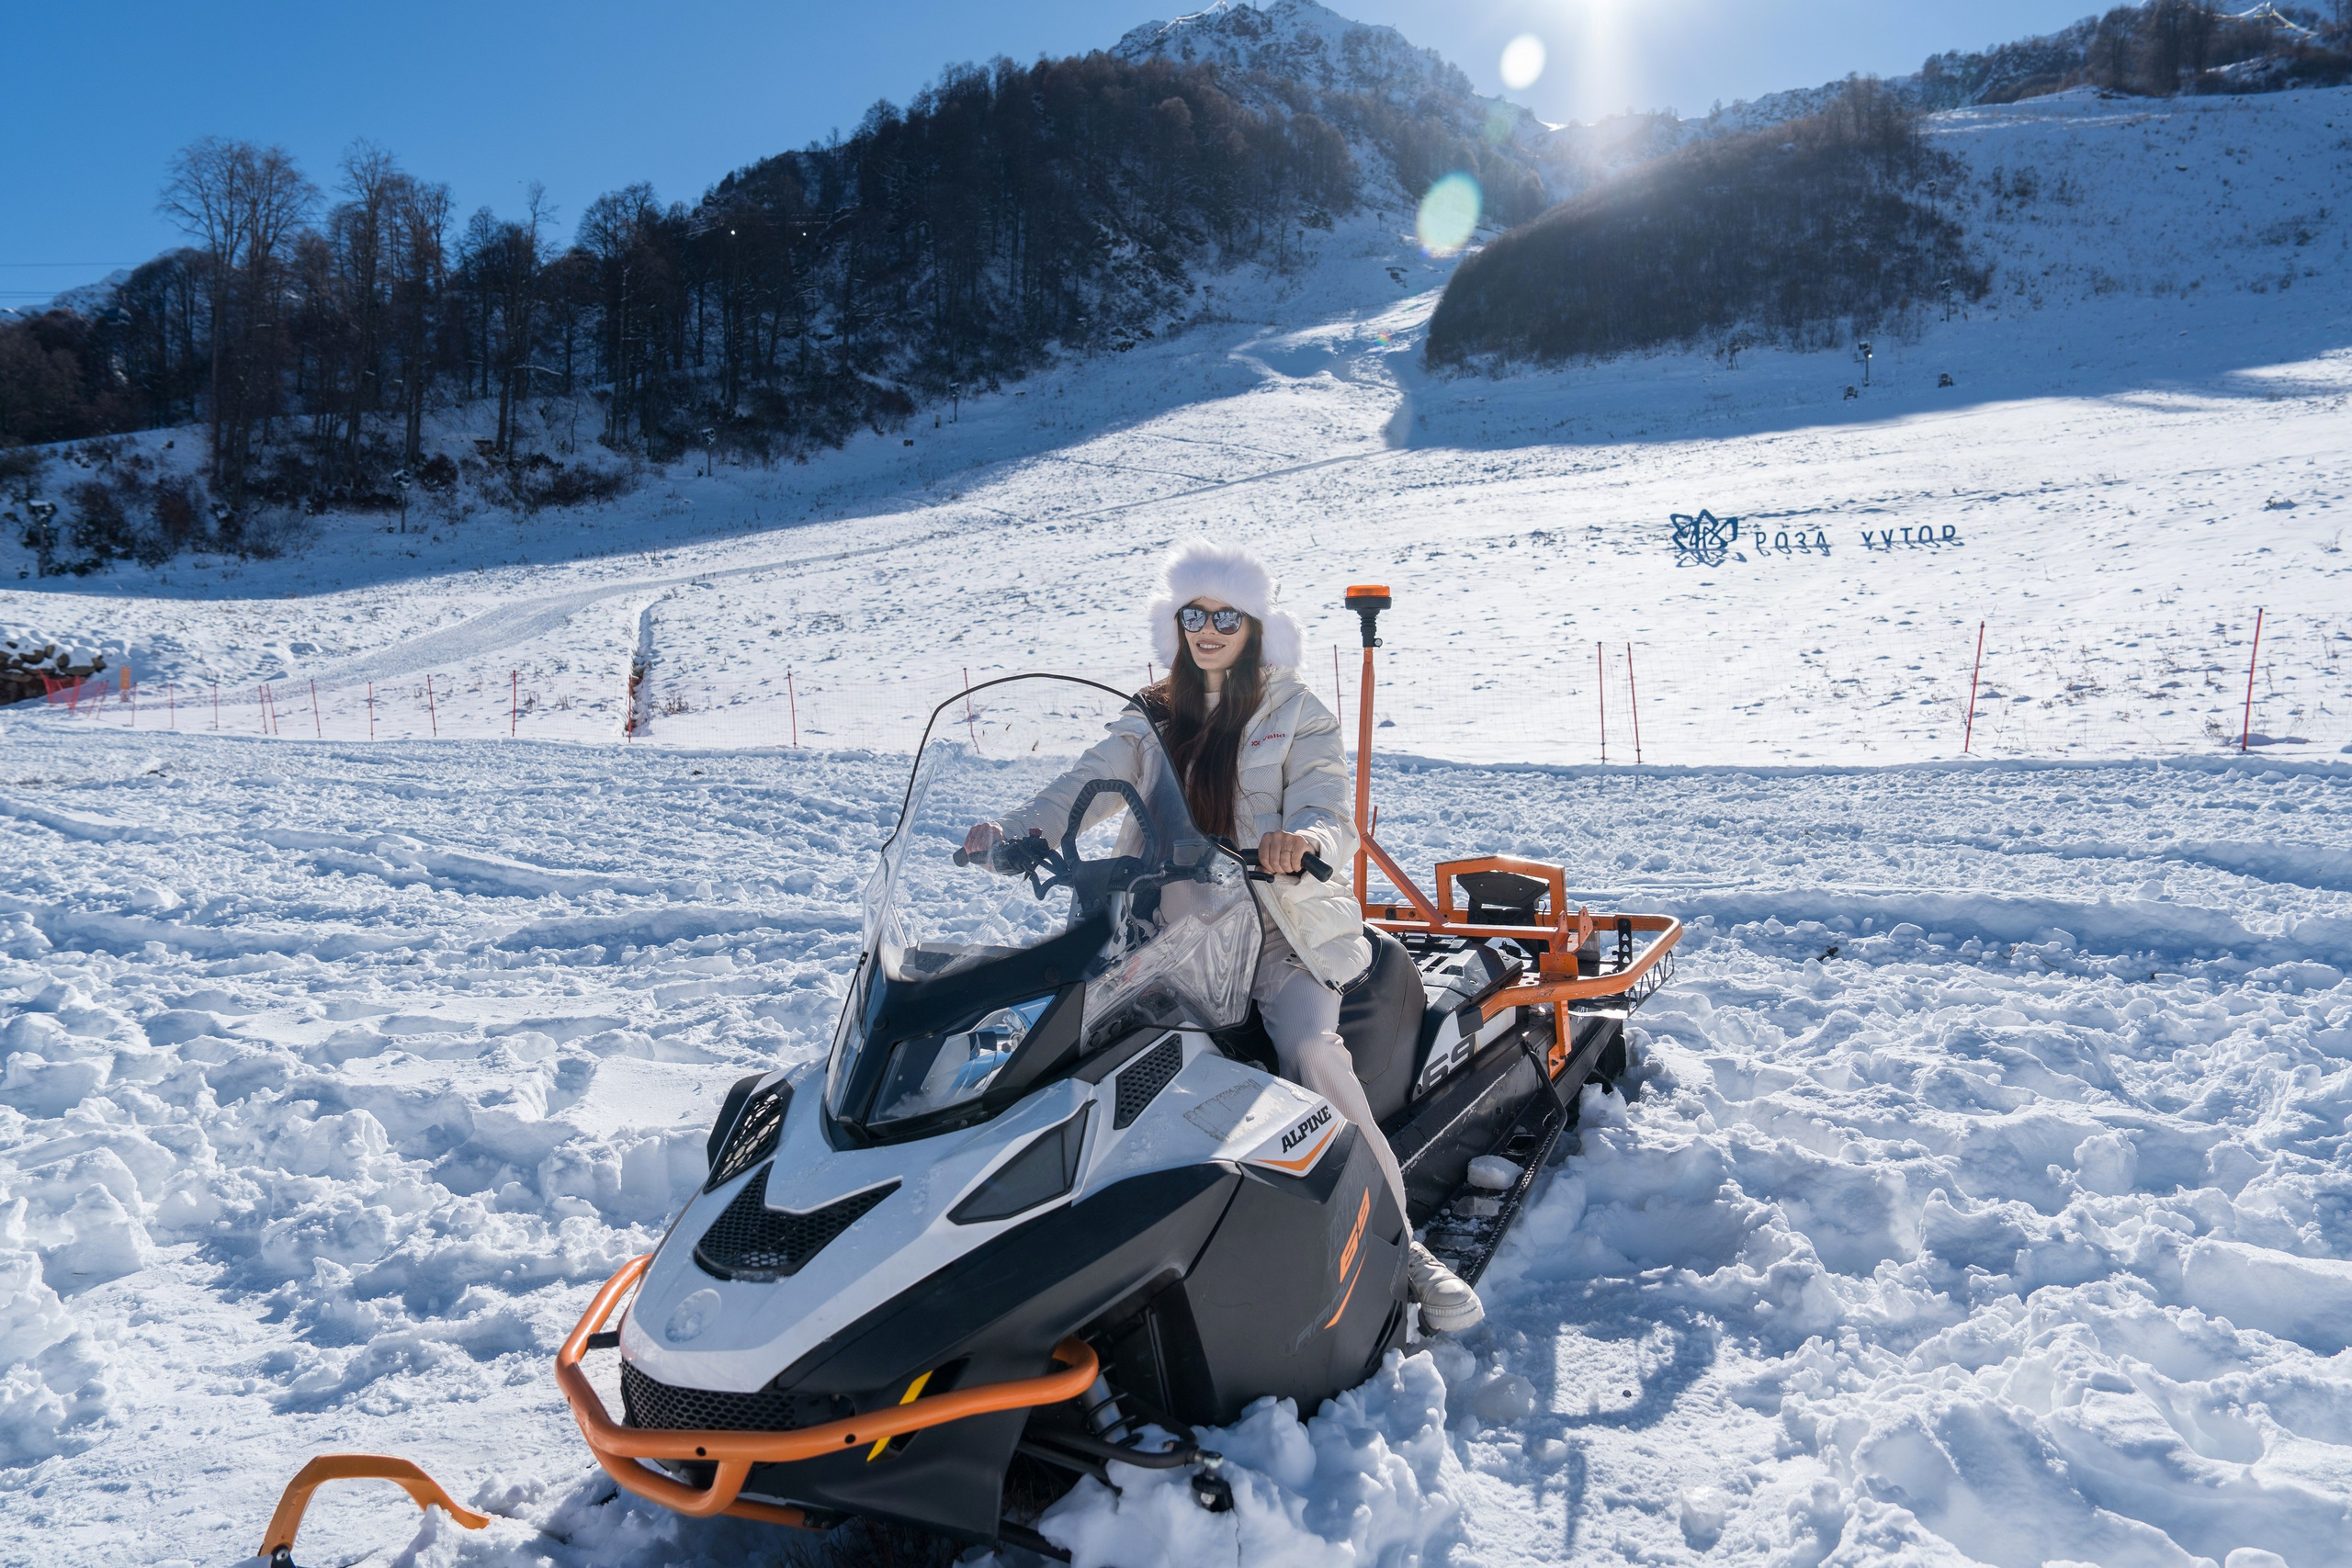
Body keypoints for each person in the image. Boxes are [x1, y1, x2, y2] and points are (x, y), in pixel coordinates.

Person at [963, 539, 1485, 1333]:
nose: (1208, 629)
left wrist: (1302, 843)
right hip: (1164, 924)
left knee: (1310, 1050)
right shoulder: (1152, 714)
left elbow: (1324, 807)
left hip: (1277, 926)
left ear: (1253, 626)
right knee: (1066, 1046)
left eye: (1225, 616)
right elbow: (1085, 784)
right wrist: (1018, 831)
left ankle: (1400, 1239)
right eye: (1193, 614)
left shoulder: (1295, 709)